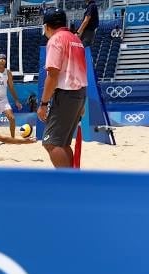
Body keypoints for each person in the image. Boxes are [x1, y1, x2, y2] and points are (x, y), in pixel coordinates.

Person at [38, 8, 88, 168]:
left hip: (66, 94)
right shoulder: (75, 39)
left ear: (46, 26)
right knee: (63, 143)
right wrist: (81, 103)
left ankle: (69, 184)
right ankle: (72, 179)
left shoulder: (56, 40)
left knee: (50, 142)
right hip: (79, 93)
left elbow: (52, 75)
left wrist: (43, 104)